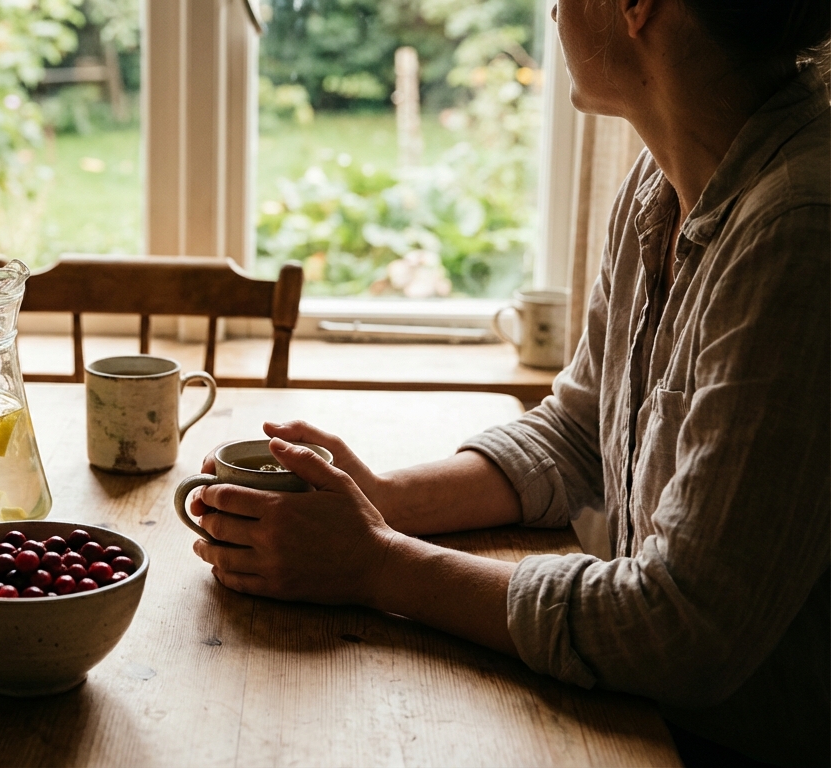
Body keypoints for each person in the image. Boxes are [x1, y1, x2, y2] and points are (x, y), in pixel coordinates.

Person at [186, 1, 830, 764]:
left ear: (636, 7)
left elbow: (681, 629)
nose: (552, 7)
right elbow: (579, 431)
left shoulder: (799, 231)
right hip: (639, 725)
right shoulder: (659, 187)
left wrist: (377, 565)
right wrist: (383, 499)